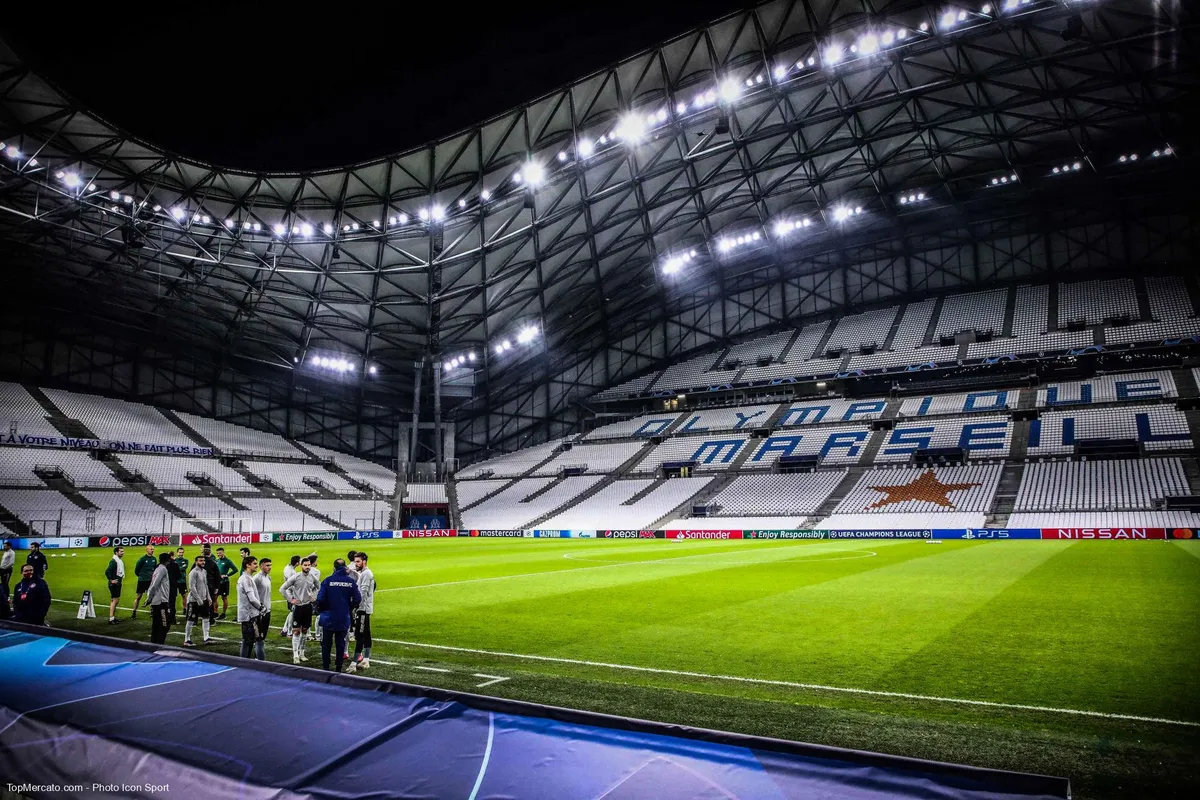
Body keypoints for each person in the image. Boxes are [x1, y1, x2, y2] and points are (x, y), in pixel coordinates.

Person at [315, 558, 360, 672]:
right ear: (345, 567)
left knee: (326, 644)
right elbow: (358, 599)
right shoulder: (350, 582)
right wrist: (349, 607)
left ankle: (326, 667)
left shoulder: (327, 580)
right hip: (343, 617)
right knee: (340, 644)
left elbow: (320, 599)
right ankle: (338, 668)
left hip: (328, 617)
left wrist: (323, 609)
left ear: (334, 568)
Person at [280, 557, 319, 664]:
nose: (307, 567)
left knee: (305, 631)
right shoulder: (296, 577)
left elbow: (318, 587)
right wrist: (290, 599)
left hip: (308, 607)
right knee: (296, 631)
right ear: (301, 566)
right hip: (298, 607)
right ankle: (295, 655)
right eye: (305, 565)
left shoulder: (312, 577)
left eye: (309, 565)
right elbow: (282, 588)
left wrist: (314, 596)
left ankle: (302, 653)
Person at [347, 552, 375, 673]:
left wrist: (355, 606)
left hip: (362, 609)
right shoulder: (364, 573)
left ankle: (354, 663)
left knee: (359, 635)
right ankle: (366, 659)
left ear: (364, 561)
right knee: (366, 634)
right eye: (355, 562)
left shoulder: (366, 574)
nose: (356, 564)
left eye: (358, 561)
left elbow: (362, 593)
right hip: (363, 608)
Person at [182, 554, 213, 647]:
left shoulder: (204, 571)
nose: (203, 562)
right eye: (200, 561)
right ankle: (187, 640)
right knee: (191, 619)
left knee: (206, 618)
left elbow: (205, 585)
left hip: (204, 599)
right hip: (193, 600)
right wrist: (198, 599)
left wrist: (208, 597)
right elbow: (192, 587)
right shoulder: (193, 572)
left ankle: (206, 638)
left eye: (203, 560)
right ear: (196, 562)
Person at [236, 556, 263, 659]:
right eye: (254, 563)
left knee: (249, 640)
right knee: (249, 640)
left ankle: (245, 662)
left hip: (248, 614)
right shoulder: (247, 579)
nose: (257, 566)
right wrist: (261, 608)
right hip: (249, 615)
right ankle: (244, 663)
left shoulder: (246, 577)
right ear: (248, 565)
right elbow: (251, 598)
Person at [145, 552, 173, 645]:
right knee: (165, 625)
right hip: (161, 602)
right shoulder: (163, 569)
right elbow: (154, 585)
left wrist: (149, 597)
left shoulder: (157, 569)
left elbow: (152, 585)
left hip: (156, 601)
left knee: (156, 624)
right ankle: (159, 644)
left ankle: (153, 643)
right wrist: (149, 598)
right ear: (168, 560)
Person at [254, 557, 273, 661]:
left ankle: (257, 657)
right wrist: (259, 607)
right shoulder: (257, 578)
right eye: (267, 565)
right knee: (259, 637)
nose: (269, 567)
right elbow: (251, 595)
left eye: (270, 565)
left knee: (262, 636)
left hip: (267, 611)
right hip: (259, 612)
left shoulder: (268, 578)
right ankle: (259, 659)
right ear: (261, 566)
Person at [131, 544, 157, 619]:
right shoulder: (142, 559)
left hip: (151, 581)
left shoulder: (154, 559)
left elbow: (155, 569)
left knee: (152, 596)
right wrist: (141, 576)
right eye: (151, 549)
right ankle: (134, 612)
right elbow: (137, 570)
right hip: (142, 581)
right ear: (147, 550)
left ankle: (152, 611)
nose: (152, 550)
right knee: (138, 597)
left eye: (153, 549)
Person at [214, 547, 238, 619]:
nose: (218, 554)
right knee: (214, 597)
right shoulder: (216, 561)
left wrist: (227, 575)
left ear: (223, 552)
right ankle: (215, 612)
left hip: (224, 582)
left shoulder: (228, 561)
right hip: (217, 582)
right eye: (217, 553)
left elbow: (235, 569)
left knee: (224, 597)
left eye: (220, 553)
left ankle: (224, 613)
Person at [104, 546, 125, 624]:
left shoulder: (118, 560)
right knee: (115, 600)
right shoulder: (114, 562)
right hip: (114, 584)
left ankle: (112, 617)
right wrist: (111, 580)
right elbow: (107, 571)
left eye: (123, 551)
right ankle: (111, 619)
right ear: (116, 552)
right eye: (121, 551)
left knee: (116, 600)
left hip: (117, 583)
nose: (123, 553)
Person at [201, 544, 221, 618]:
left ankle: (201, 617)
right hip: (210, 585)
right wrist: (217, 587)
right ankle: (211, 619)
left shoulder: (198, 562)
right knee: (210, 602)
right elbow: (217, 576)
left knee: (201, 601)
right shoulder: (213, 563)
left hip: (201, 585)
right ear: (210, 553)